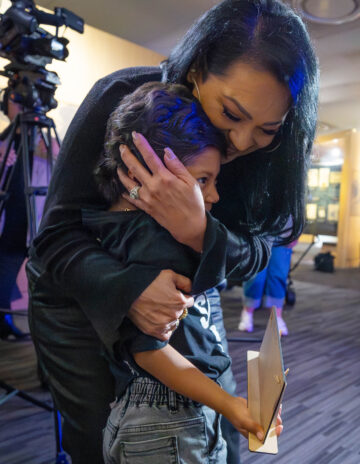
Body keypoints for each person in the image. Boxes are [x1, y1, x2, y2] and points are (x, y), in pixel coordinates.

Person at [26, 1, 318, 462]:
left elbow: (262, 249)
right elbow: (56, 236)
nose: (240, 144)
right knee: (107, 441)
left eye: (267, 128)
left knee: (217, 427)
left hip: (188, 291)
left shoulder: (276, 152)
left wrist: (202, 233)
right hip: (81, 297)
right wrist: (131, 289)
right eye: (232, 114)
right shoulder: (124, 96)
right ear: (197, 71)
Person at [89, 82, 270, 461]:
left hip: (178, 410)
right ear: (144, 170)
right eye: (203, 180)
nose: (215, 195)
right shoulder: (147, 239)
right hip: (166, 417)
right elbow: (149, 351)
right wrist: (228, 404)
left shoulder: (121, 226)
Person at [0, 96, 57, 339]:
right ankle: (4, 324)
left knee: (40, 278)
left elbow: (61, 161)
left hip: (35, 223)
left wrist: (51, 152)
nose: (22, 104)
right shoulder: (3, 140)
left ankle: (45, 330)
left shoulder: (45, 141)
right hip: (8, 222)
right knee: (4, 276)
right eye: (15, 99)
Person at [238, 243, 295, 336]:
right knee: (256, 273)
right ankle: (247, 312)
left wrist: (296, 233)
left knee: (278, 273)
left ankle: (276, 317)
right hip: (260, 231)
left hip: (283, 233)